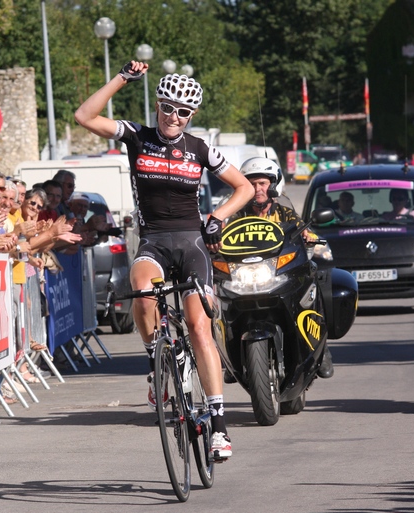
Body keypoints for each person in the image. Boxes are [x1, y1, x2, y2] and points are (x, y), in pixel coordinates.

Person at [74, 60, 254, 461]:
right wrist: (123, 78)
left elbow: (242, 187)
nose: (175, 117)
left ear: (192, 116)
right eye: (168, 108)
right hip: (153, 241)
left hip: (191, 243)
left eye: (184, 112)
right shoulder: (137, 136)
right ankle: (156, 358)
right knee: (141, 293)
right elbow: (84, 116)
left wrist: (217, 218)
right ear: (157, 105)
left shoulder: (200, 149)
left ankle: (219, 428)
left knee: (198, 328)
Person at [229, 157, 334, 379]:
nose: (257, 189)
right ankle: (226, 356)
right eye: (251, 184)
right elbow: (223, 234)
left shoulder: (284, 209)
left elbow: (300, 227)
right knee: (215, 294)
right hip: (246, 274)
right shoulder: (238, 213)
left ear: (273, 185)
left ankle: (322, 348)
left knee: (316, 277)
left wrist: (308, 235)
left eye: (262, 183)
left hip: (280, 272)